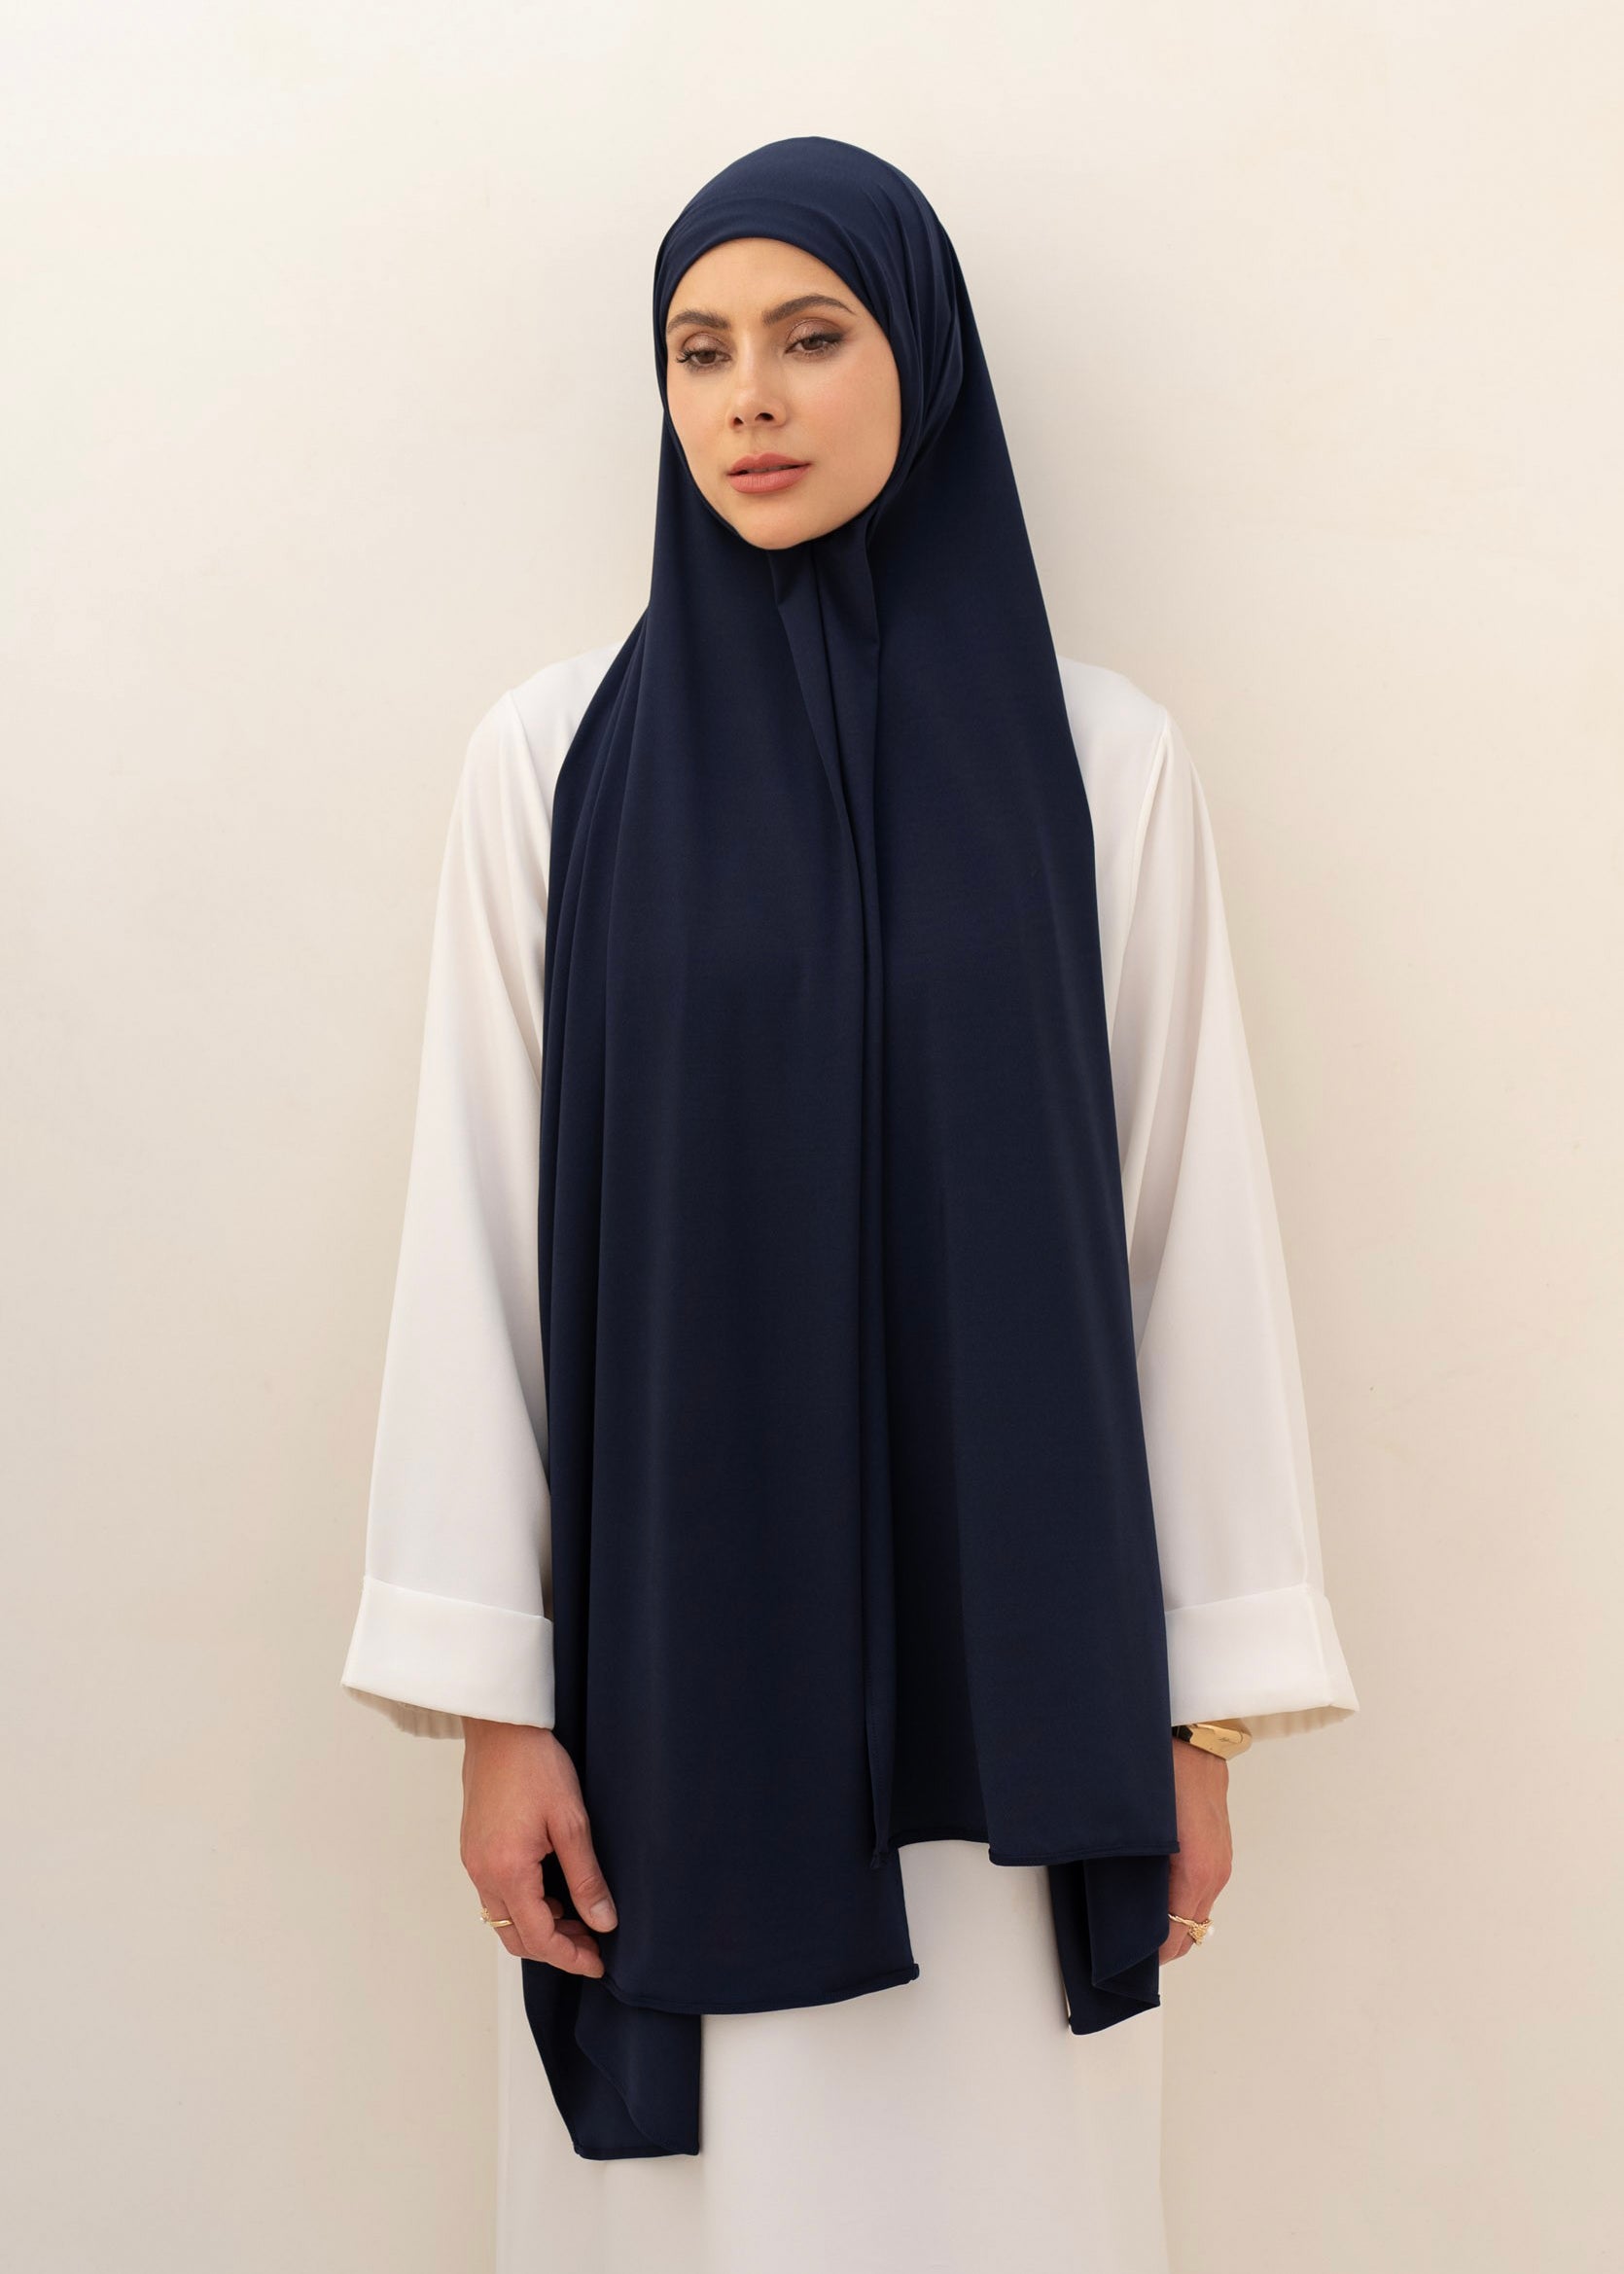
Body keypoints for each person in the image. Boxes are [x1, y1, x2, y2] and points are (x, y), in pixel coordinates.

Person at [340, 136, 1359, 2274]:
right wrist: (495, 1712)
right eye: (698, 351)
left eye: (810, 337)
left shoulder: (1101, 765)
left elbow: (1186, 1236)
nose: (750, 401)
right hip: (665, 1711)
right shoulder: (553, 760)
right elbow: (478, 1234)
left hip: (1027, 1705)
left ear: (925, 359)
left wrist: (1204, 1713)